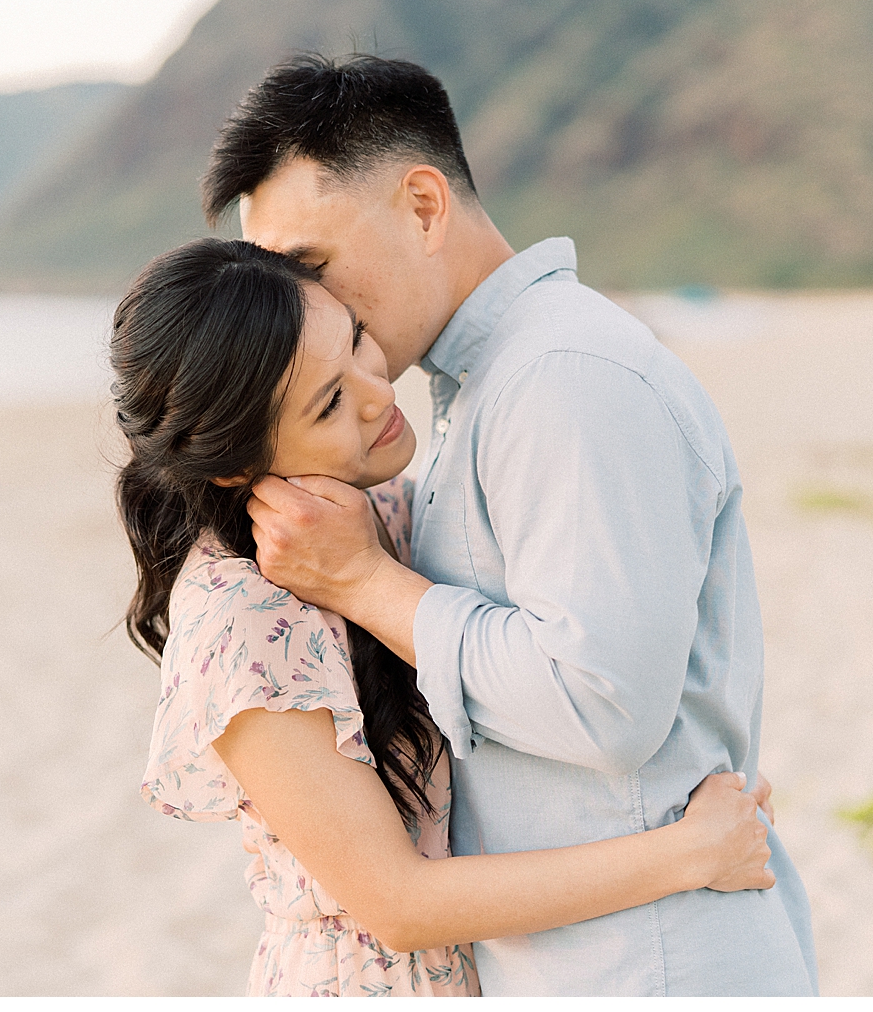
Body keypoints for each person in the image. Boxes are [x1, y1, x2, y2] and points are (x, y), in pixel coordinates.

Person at [201, 53, 820, 996]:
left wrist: (368, 584)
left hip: (648, 966)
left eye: (312, 266)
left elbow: (602, 700)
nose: (305, 309)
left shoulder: (563, 377)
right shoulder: (483, 387)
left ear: (422, 205)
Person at [113, 238, 779, 997]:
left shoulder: (380, 511)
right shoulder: (242, 623)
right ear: (234, 463)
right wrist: (691, 852)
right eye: (329, 402)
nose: (375, 391)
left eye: (358, 339)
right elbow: (399, 903)